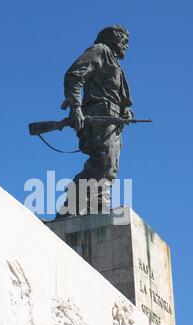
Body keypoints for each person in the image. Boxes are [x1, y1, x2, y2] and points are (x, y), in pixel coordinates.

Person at [56, 25, 133, 218]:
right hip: (99, 116)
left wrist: (126, 110)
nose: (126, 45)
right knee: (103, 159)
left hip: (114, 121)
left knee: (110, 166)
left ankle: (98, 207)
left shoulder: (115, 63)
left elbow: (119, 96)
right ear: (111, 38)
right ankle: (71, 205)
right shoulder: (100, 50)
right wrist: (75, 107)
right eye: (123, 40)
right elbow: (74, 76)